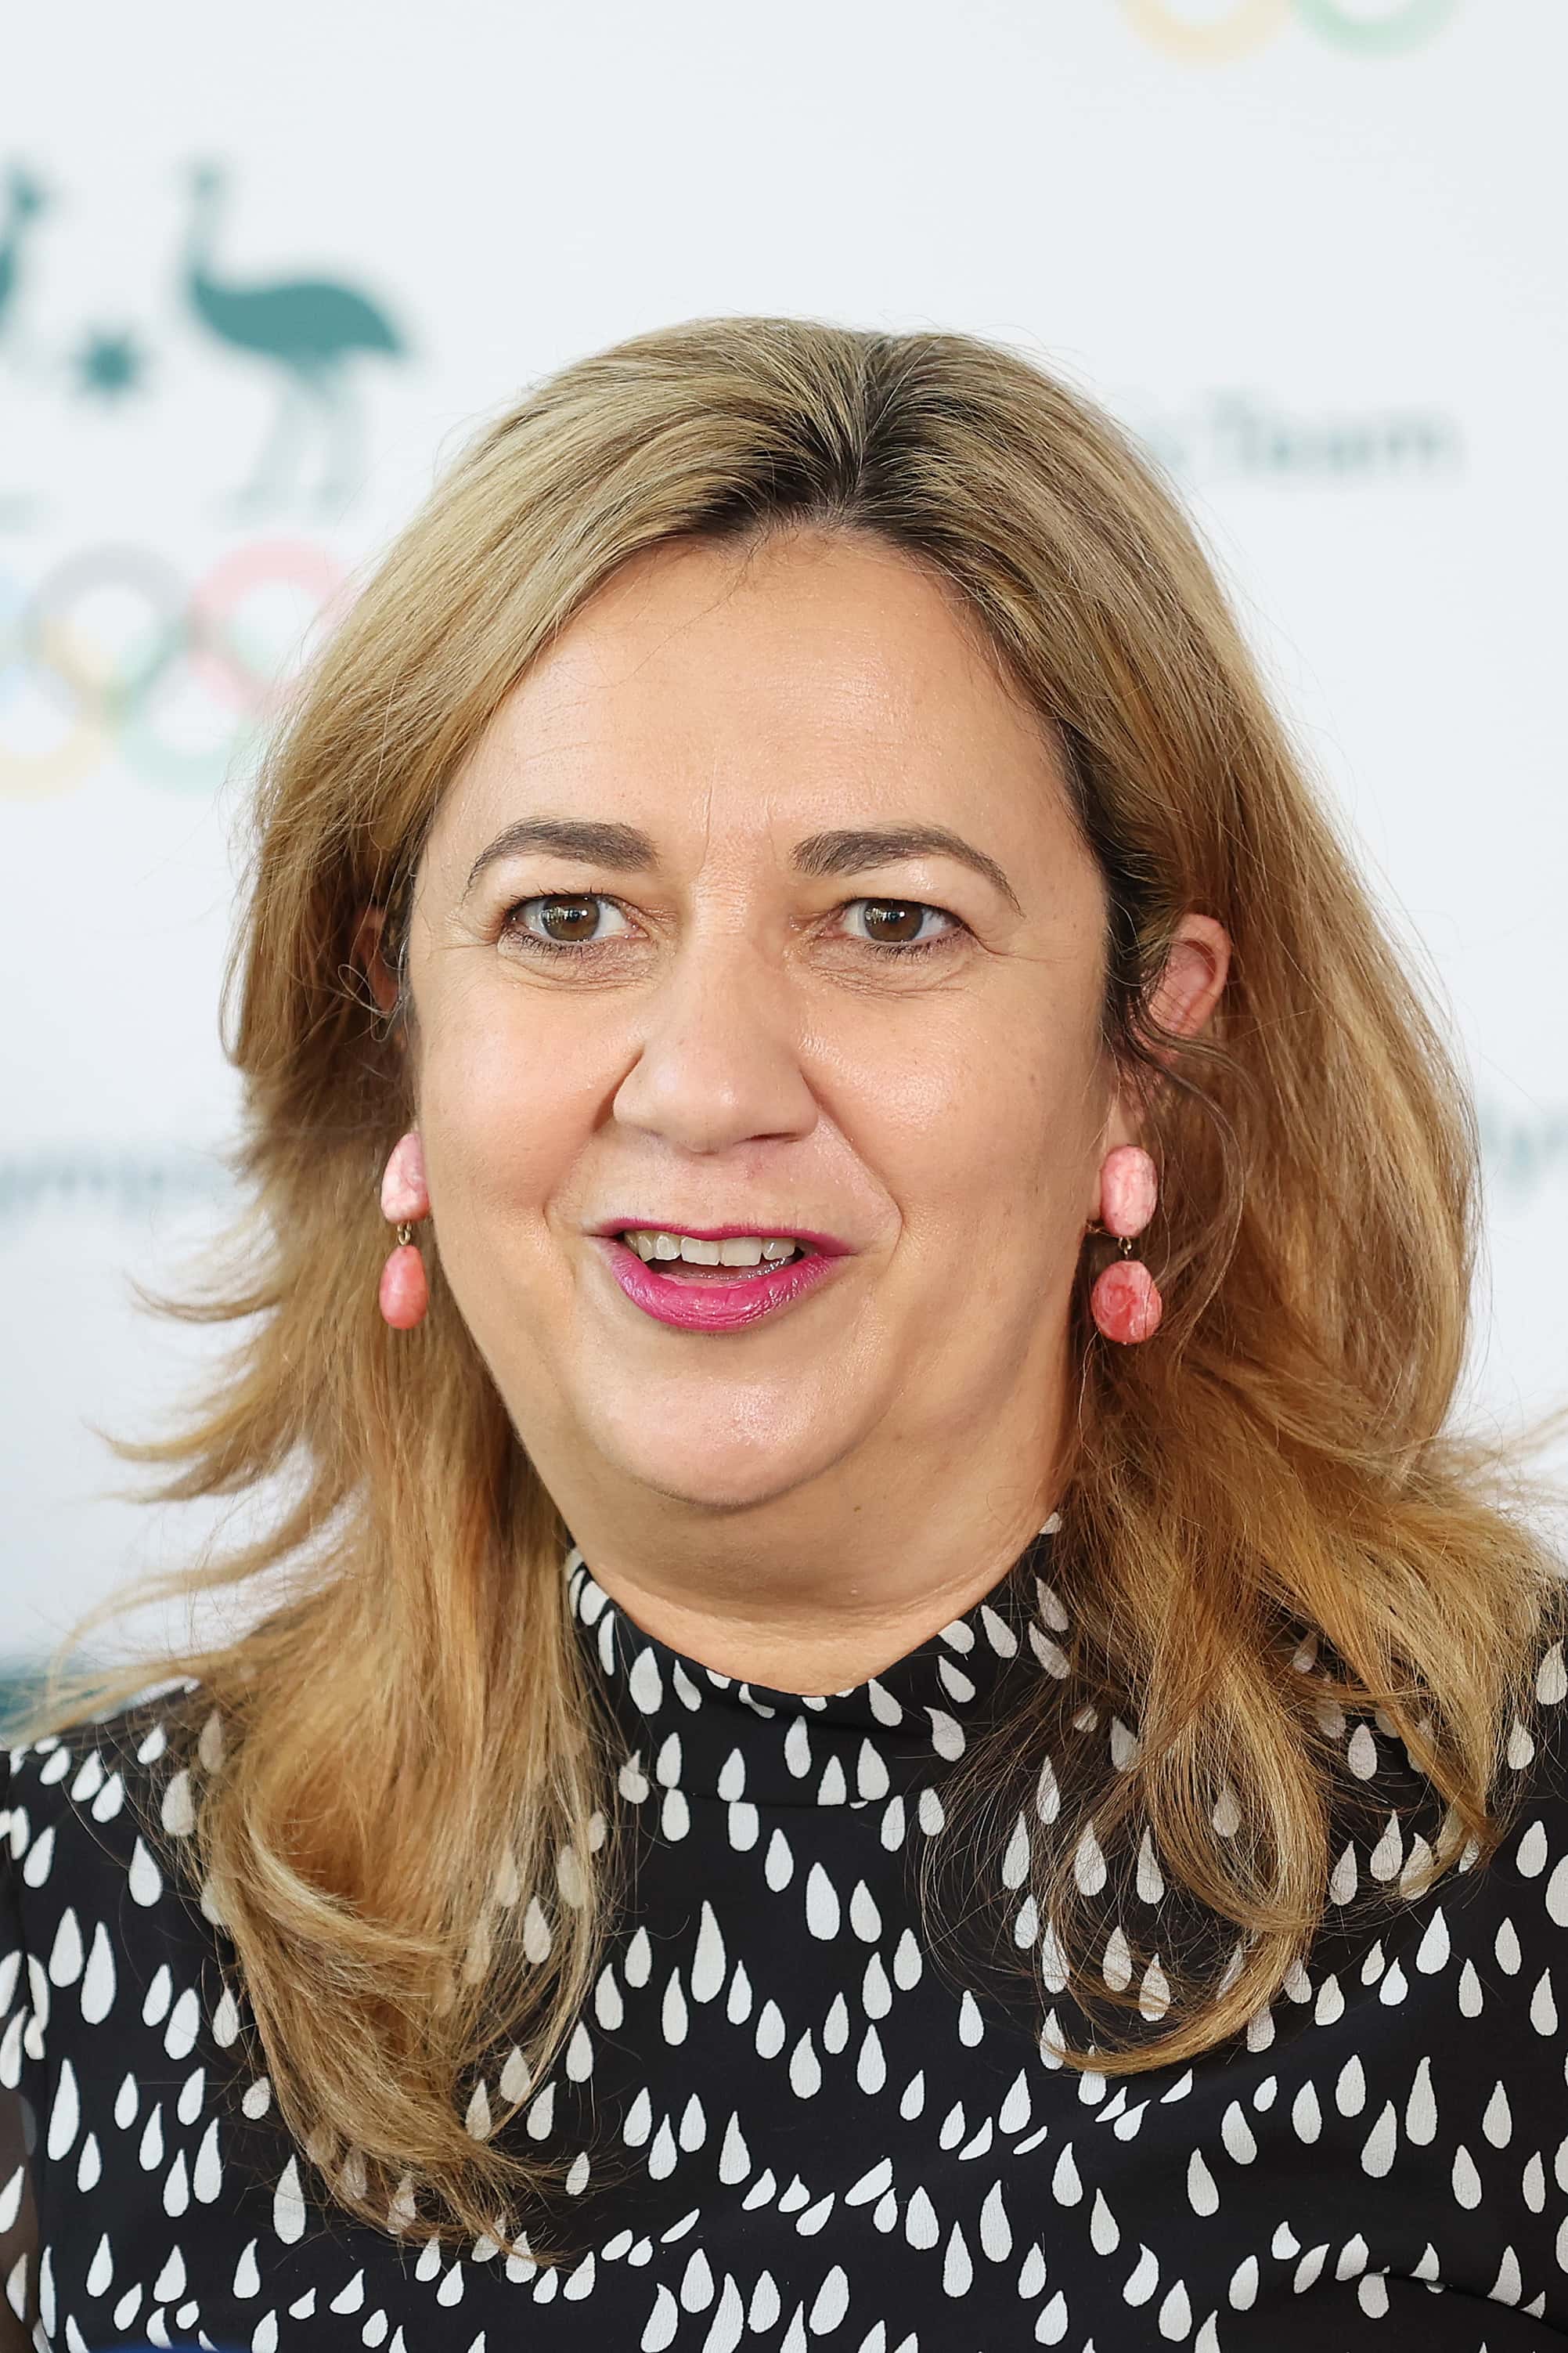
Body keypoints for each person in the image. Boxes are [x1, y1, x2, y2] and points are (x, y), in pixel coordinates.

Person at [3, 316, 1566, 2353]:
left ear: (1143, 1048)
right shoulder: (68, 1924)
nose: (706, 1081)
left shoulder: (1509, 1845)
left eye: (888, 920)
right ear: (399, 1026)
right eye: (569, 918)